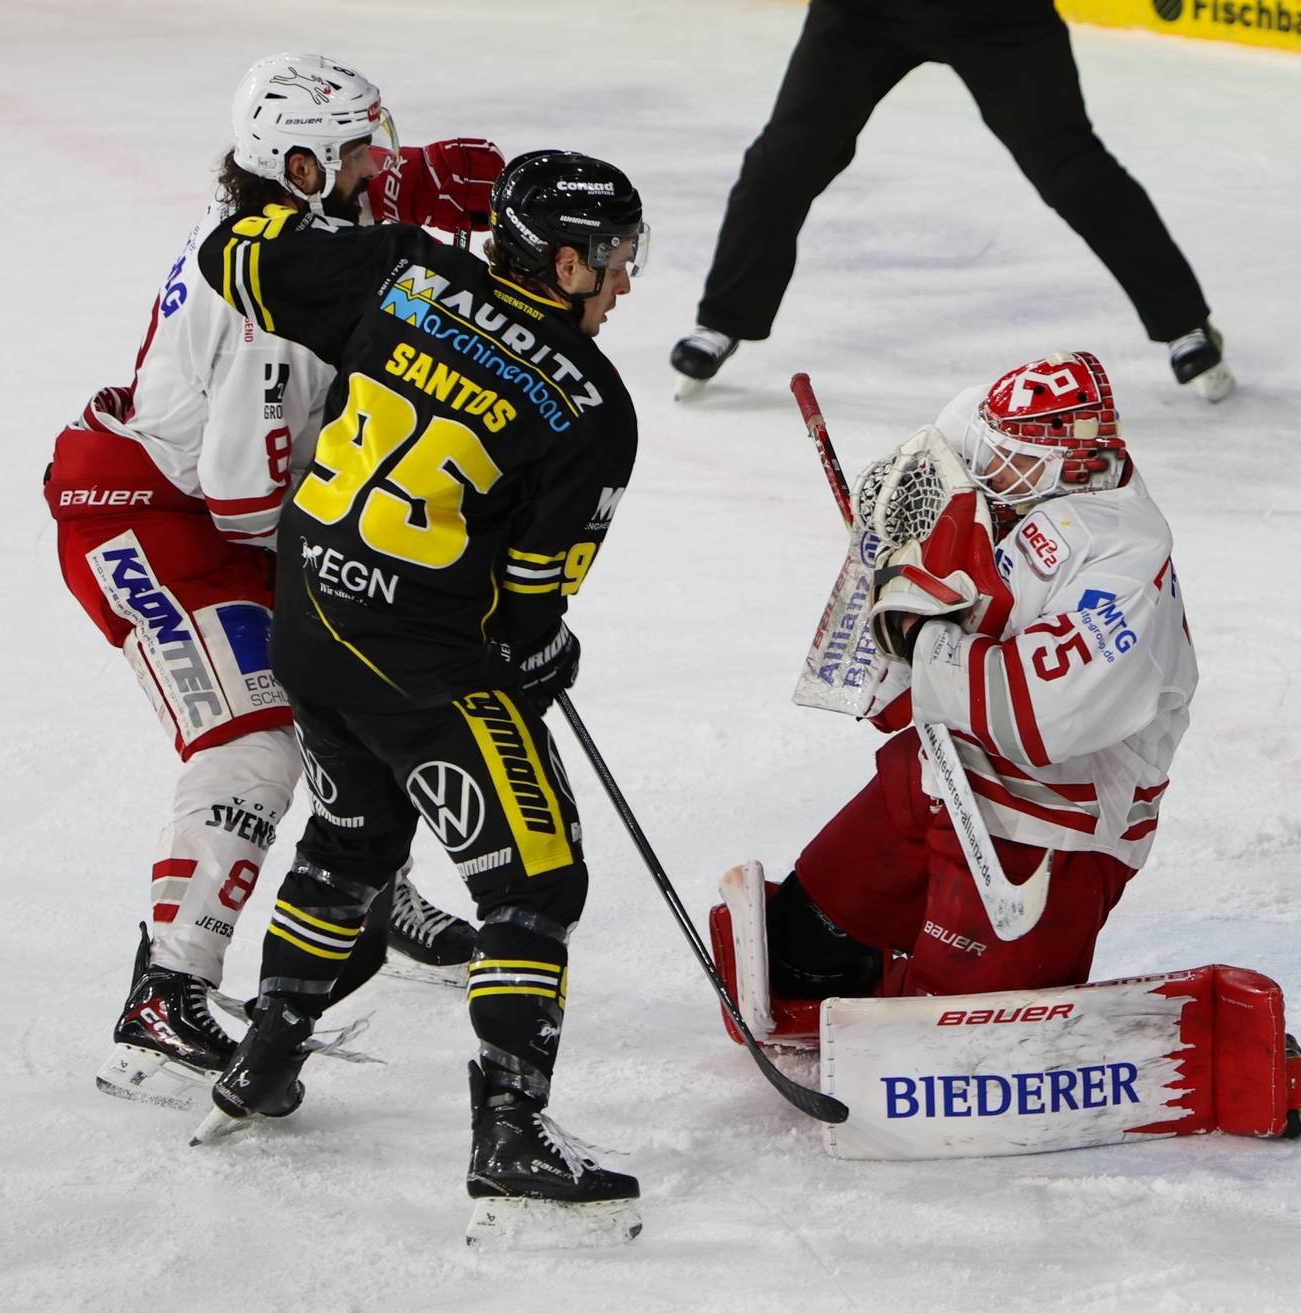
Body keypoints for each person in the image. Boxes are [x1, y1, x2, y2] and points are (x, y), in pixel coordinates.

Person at [188, 150, 651, 1246]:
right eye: (618, 260)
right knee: (535, 873)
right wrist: (540, 661)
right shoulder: (591, 405)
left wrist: (291, 198)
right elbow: (528, 607)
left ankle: (265, 1057)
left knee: (354, 835)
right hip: (416, 665)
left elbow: (230, 250)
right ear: (569, 259)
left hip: (308, 625)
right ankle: (510, 1132)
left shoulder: (398, 269)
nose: (626, 282)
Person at [44, 52, 505, 1112]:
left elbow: (347, 225)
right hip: (156, 522)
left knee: (364, 679)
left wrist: (416, 178)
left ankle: (367, 890)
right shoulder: (269, 328)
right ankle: (164, 997)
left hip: (220, 514)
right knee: (254, 741)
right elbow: (249, 499)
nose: (375, 169)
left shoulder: (276, 219)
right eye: (355, 157)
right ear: (296, 165)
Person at [756, 350, 1197, 1014]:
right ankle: (888, 987)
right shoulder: (1009, 452)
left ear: (1068, 468)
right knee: (792, 956)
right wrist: (898, 574)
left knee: (949, 1050)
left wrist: (921, 637)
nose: (987, 467)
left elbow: (1035, 716)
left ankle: (938, 1001)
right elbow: (943, 458)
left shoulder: (1126, 563)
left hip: (1051, 833)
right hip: (940, 774)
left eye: (1008, 458)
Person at [669, 0, 1233, 403]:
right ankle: (723, 320)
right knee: (785, 160)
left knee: (1070, 170)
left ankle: (1185, 323)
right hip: (864, 15)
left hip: (998, 17)